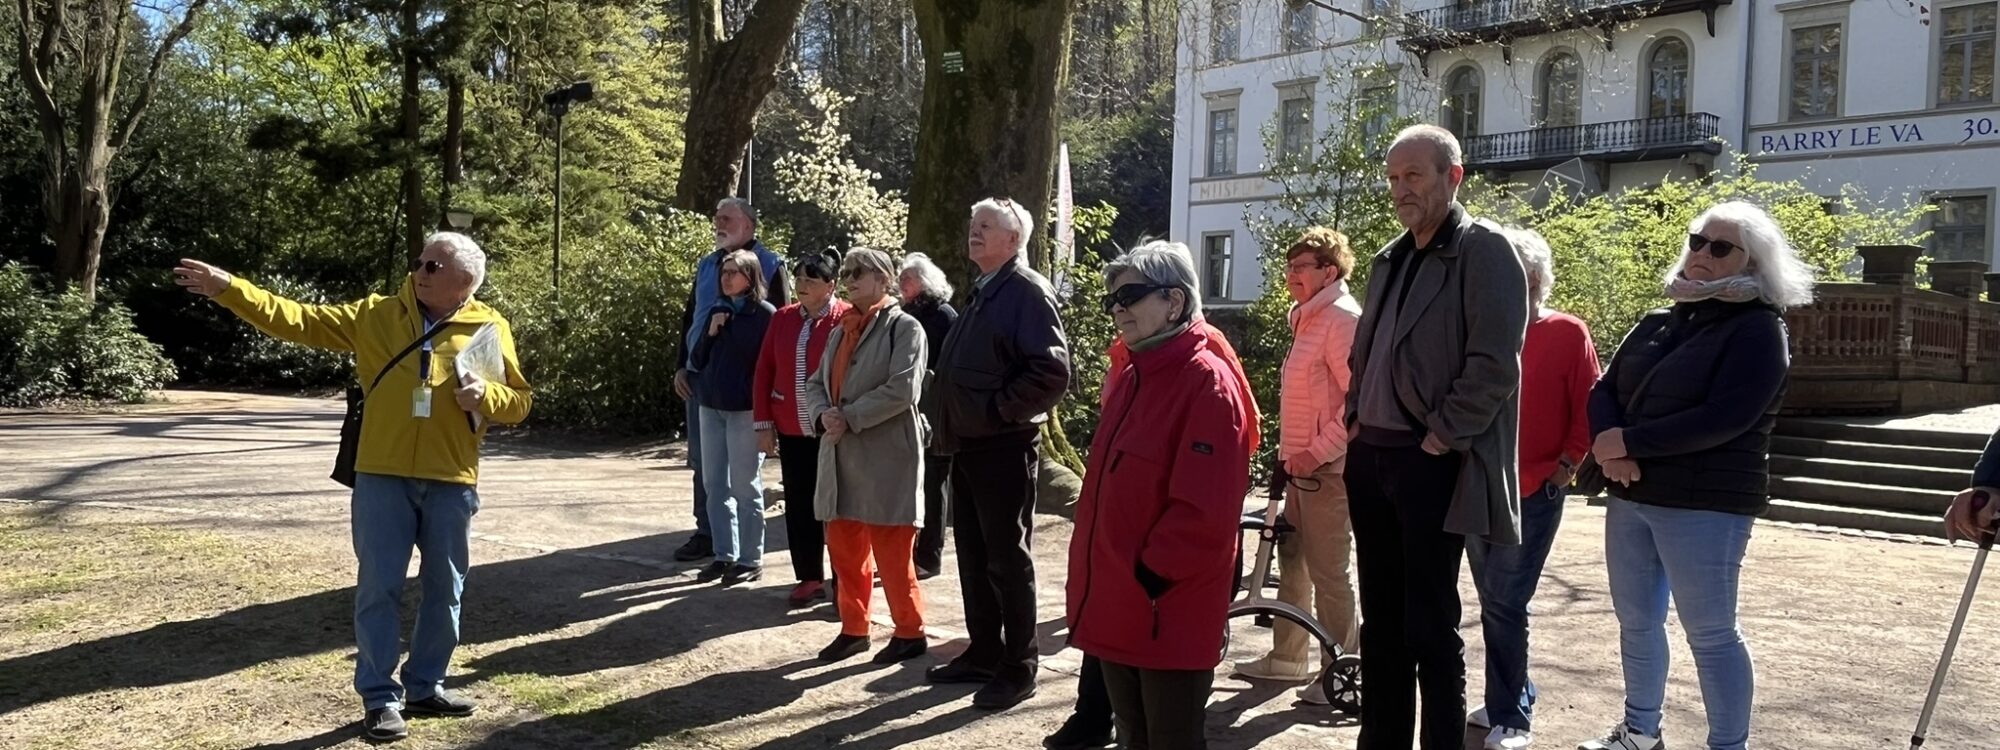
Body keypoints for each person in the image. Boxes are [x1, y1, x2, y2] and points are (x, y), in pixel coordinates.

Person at [171, 233, 532, 743]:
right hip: (381, 475)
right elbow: (296, 318)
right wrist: (229, 289)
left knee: (445, 590)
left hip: (452, 480)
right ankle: (381, 698)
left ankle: (426, 685)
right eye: (419, 262)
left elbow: (519, 402)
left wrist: (486, 396)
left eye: (433, 266)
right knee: (379, 588)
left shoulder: (490, 327)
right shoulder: (376, 314)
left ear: (465, 280)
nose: (420, 271)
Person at [1579, 201, 1811, 750]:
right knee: (1637, 621)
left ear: (1753, 261)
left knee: (1711, 634)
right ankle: (1640, 732)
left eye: (1721, 247)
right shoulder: (1658, 321)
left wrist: (1629, 443)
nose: (1704, 252)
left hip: (1707, 503)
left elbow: (1728, 416)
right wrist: (1611, 447)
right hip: (1632, 492)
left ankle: (1728, 746)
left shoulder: (1760, 329)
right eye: (1698, 241)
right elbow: (1605, 389)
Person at [1345, 124, 1528, 750]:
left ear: (1454, 177)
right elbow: (1365, 354)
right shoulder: (1390, 257)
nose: (1401, 189)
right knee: (1381, 623)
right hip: (1371, 457)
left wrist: (1441, 437)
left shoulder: (1485, 251)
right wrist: (1354, 418)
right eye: (1393, 178)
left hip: (1430, 462)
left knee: (1429, 625)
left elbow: (1495, 365)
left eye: (1414, 175)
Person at [1046, 243, 1261, 750]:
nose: (1118, 309)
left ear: (1174, 301)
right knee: (1133, 738)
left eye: (1130, 296)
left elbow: (1205, 512)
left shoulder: (1207, 383)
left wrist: (1149, 575)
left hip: (1165, 609)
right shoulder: (1134, 374)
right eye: (1113, 300)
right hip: (1122, 604)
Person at [926, 197, 1072, 711]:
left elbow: (1052, 372)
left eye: (986, 226)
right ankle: (985, 651)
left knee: (1008, 559)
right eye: (973, 224)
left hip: (1003, 445)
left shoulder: (1026, 290)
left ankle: (1019, 666)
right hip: (968, 444)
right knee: (973, 554)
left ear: (1013, 240)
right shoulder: (986, 289)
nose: (975, 231)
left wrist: (999, 411)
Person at [1463, 228, 1599, 750]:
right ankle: (1512, 690)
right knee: (1491, 598)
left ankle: (1512, 717)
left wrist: (1566, 465)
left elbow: (1590, 404)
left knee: (1505, 601)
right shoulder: (1478, 332)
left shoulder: (1567, 332)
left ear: (1535, 280)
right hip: (1479, 486)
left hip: (1534, 490)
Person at [1235, 226, 1364, 710]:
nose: (1291, 275)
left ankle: (1343, 669)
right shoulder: (1308, 317)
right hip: (1298, 469)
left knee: (1330, 573)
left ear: (1329, 271)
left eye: (1300, 267)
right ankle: (1288, 658)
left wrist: (1319, 451)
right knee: (1293, 562)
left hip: (1328, 472)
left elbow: (1358, 402)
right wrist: (1293, 454)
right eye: (1288, 267)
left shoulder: (1342, 319)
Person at [806, 248, 932, 664]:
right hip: (841, 456)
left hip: (887, 458)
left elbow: (903, 389)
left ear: (884, 278)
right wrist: (823, 414)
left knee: (892, 554)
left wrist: (850, 416)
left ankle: (910, 632)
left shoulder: (906, 328)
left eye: (858, 272)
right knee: (845, 551)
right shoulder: (840, 330)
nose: (849, 279)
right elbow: (815, 383)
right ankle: (853, 629)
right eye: (846, 272)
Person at [674, 198, 790, 563]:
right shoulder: (708, 264)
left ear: (749, 224)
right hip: (703, 381)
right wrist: (682, 365)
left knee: (743, 478)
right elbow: (691, 316)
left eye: (727, 218)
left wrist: (774, 394)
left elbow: (780, 333)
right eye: (717, 217)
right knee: (706, 467)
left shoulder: (771, 265)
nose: (718, 223)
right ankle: (710, 536)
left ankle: (747, 556)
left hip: (745, 394)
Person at [754, 250, 850, 607]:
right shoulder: (782, 318)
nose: (802, 285)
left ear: (831, 285)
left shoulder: (847, 318)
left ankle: (845, 580)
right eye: (799, 278)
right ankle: (809, 577)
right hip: (792, 429)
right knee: (799, 504)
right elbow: (764, 370)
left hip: (834, 431)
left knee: (839, 507)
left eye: (811, 279)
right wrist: (763, 424)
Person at [691, 249, 779, 585]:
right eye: (723, 272)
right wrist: (712, 331)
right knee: (714, 485)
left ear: (751, 276)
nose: (726, 278)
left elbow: (762, 363)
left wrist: (729, 329)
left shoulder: (764, 314)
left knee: (745, 487)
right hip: (710, 406)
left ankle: (750, 559)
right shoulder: (718, 308)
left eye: (733, 272)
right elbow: (698, 358)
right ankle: (723, 555)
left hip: (745, 410)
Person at [899, 252, 959, 579]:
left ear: (924, 281)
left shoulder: (944, 316)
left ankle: (929, 557)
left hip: (937, 414)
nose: (900, 282)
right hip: (909, 411)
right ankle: (907, 551)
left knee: (934, 486)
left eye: (907, 277)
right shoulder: (905, 313)